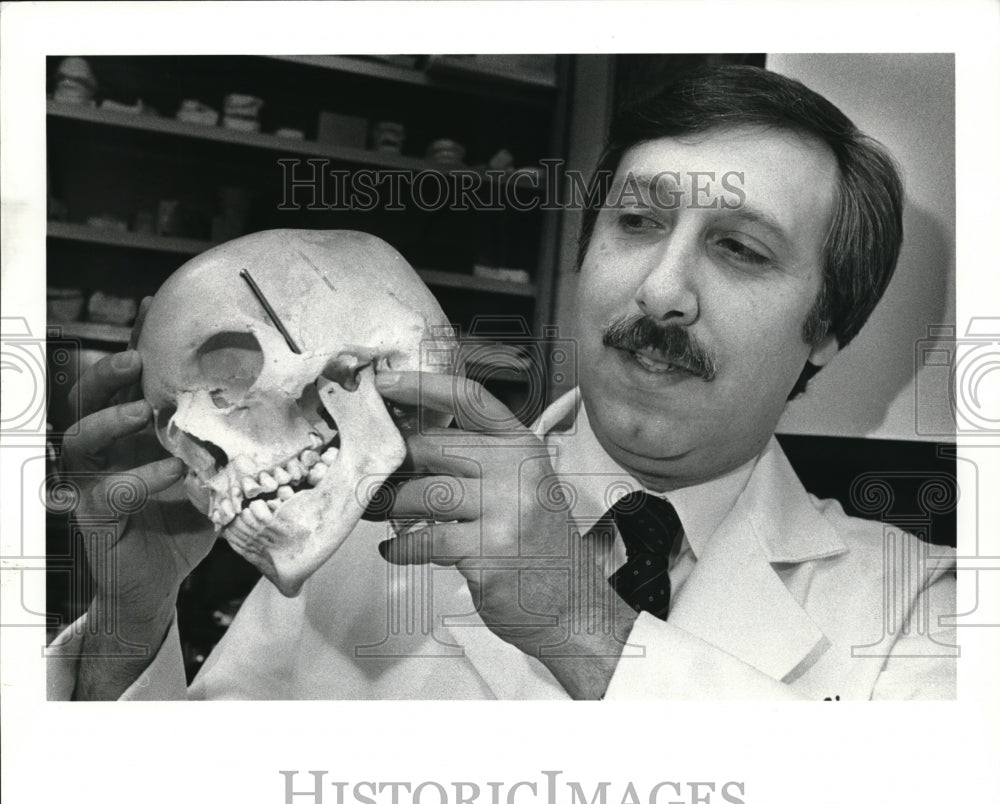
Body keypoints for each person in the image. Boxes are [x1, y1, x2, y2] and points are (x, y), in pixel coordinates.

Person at [48, 64, 955, 701]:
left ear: (829, 328)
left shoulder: (920, 607)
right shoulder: (356, 528)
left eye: (741, 249)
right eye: (635, 223)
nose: (662, 290)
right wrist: (130, 622)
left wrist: (582, 623)